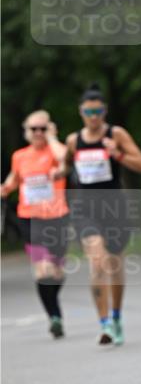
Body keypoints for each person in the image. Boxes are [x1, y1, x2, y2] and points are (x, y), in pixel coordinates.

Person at [64, 85, 141, 346]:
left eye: (98, 110)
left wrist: (117, 154)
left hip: (114, 208)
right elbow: (66, 164)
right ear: (81, 112)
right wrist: (59, 174)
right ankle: (104, 324)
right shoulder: (73, 140)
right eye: (89, 111)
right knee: (97, 262)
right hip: (85, 209)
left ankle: (117, 316)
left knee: (114, 265)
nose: (93, 116)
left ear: (104, 111)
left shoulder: (116, 134)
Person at [0, 111, 69, 337]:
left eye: (42, 128)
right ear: (26, 132)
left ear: (49, 128)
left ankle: (53, 304)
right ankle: (54, 317)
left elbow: (66, 159)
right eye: (33, 129)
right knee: (43, 270)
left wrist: (52, 138)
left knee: (57, 272)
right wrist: (5, 189)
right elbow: (14, 178)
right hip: (30, 218)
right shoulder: (20, 156)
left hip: (57, 217)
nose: (38, 132)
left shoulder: (55, 150)